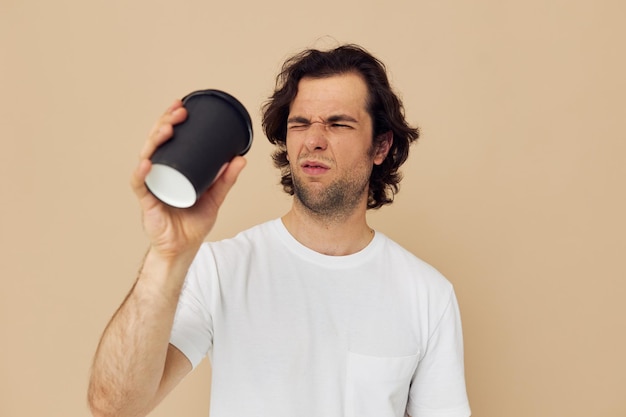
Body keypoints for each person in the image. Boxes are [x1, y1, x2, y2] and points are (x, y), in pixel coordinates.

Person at [88, 44, 471, 417]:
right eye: (300, 124)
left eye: (338, 124)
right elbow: (115, 407)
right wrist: (166, 255)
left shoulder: (427, 295)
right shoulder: (221, 269)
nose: (314, 140)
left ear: (381, 146)